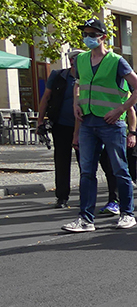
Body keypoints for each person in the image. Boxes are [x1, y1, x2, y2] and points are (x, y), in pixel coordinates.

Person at [62, 18, 137, 232]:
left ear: (103, 37)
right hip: (88, 122)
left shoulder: (116, 61)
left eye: (91, 34)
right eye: (85, 34)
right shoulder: (80, 60)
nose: (87, 38)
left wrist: (120, 110)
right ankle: (86, 220)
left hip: (111, 123)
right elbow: (78, 84)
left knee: (119, 169)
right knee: (86, 172)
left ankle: (127, 213)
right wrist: (76, 104)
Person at [37, 49, 83, 208]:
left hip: (84, 126)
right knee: (62, 161)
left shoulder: (88, 77)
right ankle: (62, 197)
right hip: (61, 125)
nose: (76, 62)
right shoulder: (58, 76)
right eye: (74, 59)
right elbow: (46, 98)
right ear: (70, 62)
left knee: (84, 162)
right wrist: (40, 121)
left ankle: (86, 195)